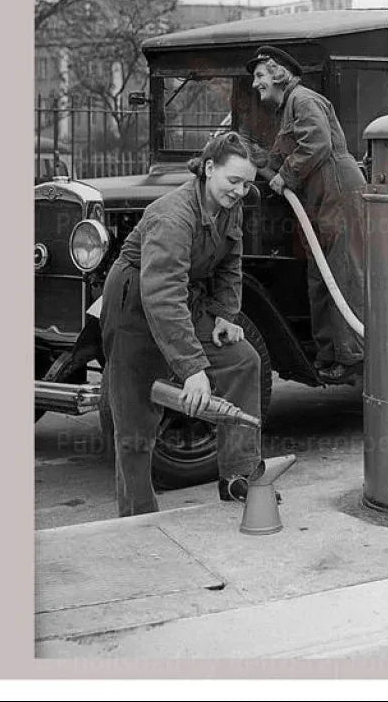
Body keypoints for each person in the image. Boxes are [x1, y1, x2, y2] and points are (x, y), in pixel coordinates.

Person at [100, 131, 263, 517]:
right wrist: (192, 369)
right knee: (136, 421)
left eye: (247, 184)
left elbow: (230, 260)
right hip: (135, 304)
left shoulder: (231, 205)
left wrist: (225, 312)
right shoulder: (172, 217)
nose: (240, 191)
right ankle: (140, 520)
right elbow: (161, 297)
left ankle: (239, 478)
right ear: (208, 169)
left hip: (182, 296)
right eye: (233, 181)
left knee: (243, 360)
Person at [246, 45, 365, 385]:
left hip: (336, 190)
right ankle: (328, 354)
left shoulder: (303, 100)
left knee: (341, 273)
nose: (256, 85)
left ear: (279, 73)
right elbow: (280, 157)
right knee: (320, 276)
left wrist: (287, 174)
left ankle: (351, 356)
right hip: (319, 195)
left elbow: (317, 144)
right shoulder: (288, 108)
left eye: (260, 76)